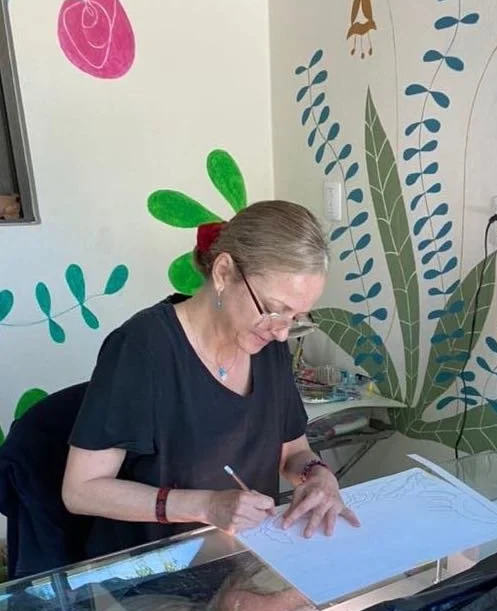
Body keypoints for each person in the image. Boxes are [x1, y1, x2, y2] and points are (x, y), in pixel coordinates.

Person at [62, 200, 360, 561]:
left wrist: (318, 476)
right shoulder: (143, 347)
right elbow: (80, 490)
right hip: (149, 575)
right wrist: (205, 506)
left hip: (237, 559)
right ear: (223, 273)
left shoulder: (267, 344)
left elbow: (293, 452)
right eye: (273, 309)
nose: (282, 333)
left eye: (296, 317)